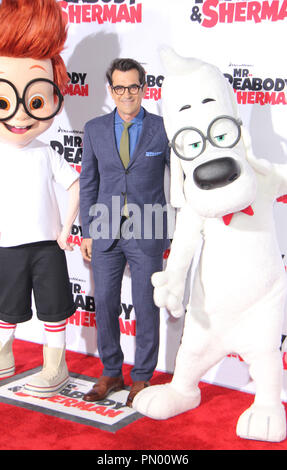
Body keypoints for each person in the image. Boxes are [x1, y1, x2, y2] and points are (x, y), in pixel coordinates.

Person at [80, 57, 170, 406]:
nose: (127, 94)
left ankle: (142, 377)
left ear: (144, 88)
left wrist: (174, 234)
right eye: (120, 87)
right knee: (103, 302)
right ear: (111, 90)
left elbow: (176, 182)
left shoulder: (162, 128)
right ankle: (112, 372)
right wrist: (87, 231)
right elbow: (89, 182)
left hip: (148, 229)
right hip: (103, 228)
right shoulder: (94, 129)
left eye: (133, 86)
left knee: (146, 305)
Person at [0, 0, 79, 397]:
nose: (17, 114)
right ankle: (4, 357)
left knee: (54, 309)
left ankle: (55, 366)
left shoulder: (47, 152)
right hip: (6, 246)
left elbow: (75, 185)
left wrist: (67, 228)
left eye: (34, 101)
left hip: (47, 246)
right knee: (5, 309)